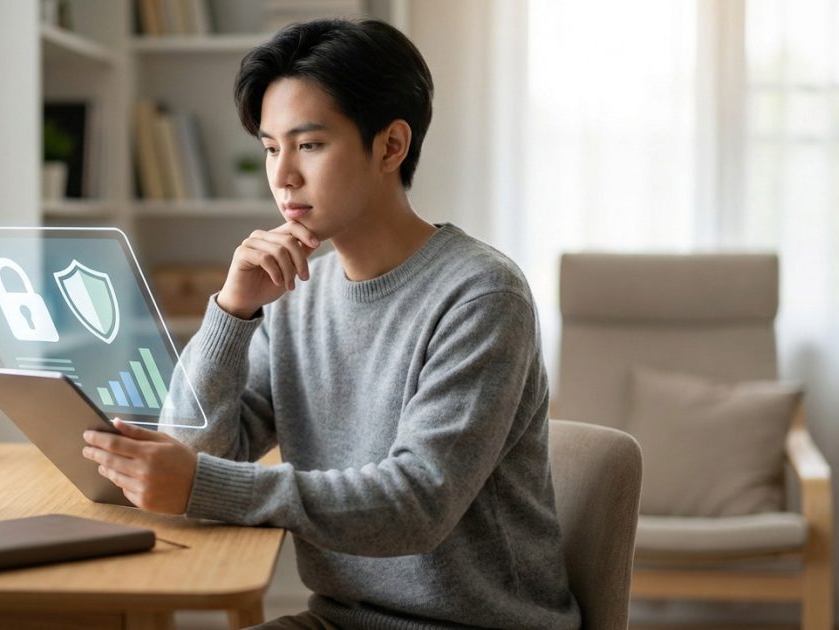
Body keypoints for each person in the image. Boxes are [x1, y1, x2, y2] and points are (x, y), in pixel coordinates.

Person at [82, 18, 580, 629]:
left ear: (391, 146)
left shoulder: (481, 294)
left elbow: (417, 503)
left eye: (309, 144)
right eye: (270, 147)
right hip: (338, 619)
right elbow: (195, 453)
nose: (283, 175)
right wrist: (231, 311)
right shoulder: (295, 294)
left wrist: (204, 485)